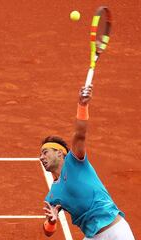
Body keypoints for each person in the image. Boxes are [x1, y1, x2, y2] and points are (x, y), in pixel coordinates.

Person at [39, 85, 135, 239]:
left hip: (116, 231)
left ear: (59, 153)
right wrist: (51, 221)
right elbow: (48, 231)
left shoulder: (75, 161)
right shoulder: (53, 196)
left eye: (45, 152)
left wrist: (82, 105)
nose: (41, 157)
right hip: (92, 236)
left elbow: (80, 135)